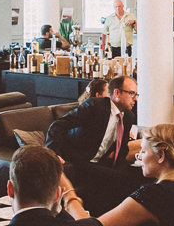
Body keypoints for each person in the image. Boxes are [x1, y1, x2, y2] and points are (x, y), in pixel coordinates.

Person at [45, 74, 142, 213]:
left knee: (137, 175)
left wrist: (122, 166)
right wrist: (53, 153)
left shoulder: (128, 117)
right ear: (117, 93)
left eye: (136, 94)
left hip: (100, 160)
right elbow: (58, 125)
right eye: (132, 93)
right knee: (120, 179)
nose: (136, 99)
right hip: (79, 159)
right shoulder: (95, 106)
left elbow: (123, 148)